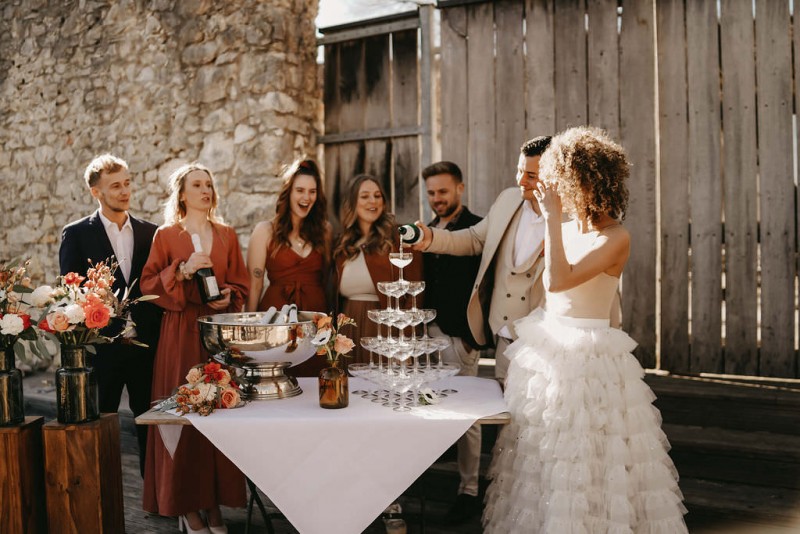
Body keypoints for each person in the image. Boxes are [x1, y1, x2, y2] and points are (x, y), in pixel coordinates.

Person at [483, 127, 688, 533]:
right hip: (552, 351)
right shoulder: (568, 227)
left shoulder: (616, 237)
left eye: (562, 178)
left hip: (589, 362)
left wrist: (552, 219)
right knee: (546, 459)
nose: (554, 187)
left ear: (589, 180)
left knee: (592, 460)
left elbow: (559, 280)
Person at [140, 163, 249, 534]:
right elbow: (148, 285)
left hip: (216, 338)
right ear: (182, 194)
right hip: (180, 333)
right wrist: (182, 272)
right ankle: (185, 507)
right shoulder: (166, 236)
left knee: (218, 417)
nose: (206, 190)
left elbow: (240, 283)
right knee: (183, 417)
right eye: (197, 185)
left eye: (209, 184)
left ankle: (213, 504)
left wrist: (228, 297)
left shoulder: (227, 235)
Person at [59, 154, 162, 477]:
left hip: (146, 346)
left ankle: (153, 496)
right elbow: (70, 290)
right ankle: (97, 490)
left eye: (127, 183)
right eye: (115, 186)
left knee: (151, 421)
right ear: (96, 192)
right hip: (102, 348)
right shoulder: (76, 234)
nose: (124, 191)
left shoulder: (151, 232)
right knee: (100, 421)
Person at [420, 161, 484, 523]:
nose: (436, 199)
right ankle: (442, 473)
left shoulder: (477, 228)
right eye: (431, 193)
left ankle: (469, 490)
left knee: (468, 414)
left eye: (443, 191)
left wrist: (474, 338)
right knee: (432, 403)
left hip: (460, 336)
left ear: (460, 188)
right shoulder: (426, 231)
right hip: (429, 336)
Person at [246, 158, 332, 377]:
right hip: (275, 318)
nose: (306, 197)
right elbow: (254, 285)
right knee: (275, 377)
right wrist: (250, 334)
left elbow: (328, 280)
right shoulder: (265, 231)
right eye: (300, 190)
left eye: (312, 191)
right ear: (288, 192)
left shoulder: (325, 231)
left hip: (315, 320)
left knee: (316, 380)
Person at [333, 174, 423, 364]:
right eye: (364, 196)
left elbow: (415, 294)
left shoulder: (399, 239)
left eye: (377, 195)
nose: (372, 201)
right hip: (347, 330)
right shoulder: (342, 244)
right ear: (353, 203)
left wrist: (404, 340)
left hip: (385, 330)